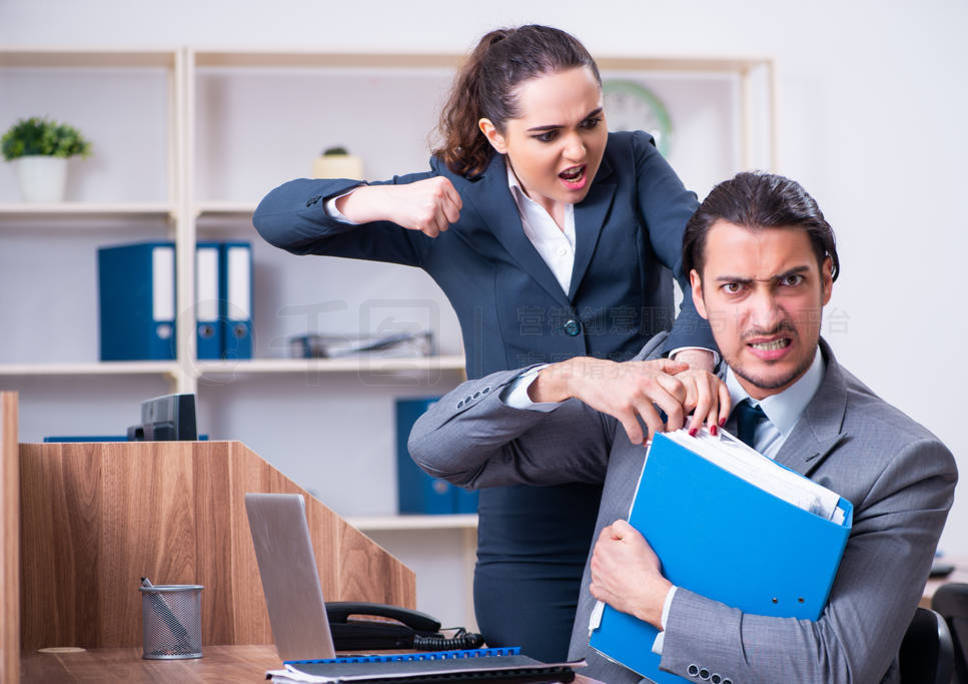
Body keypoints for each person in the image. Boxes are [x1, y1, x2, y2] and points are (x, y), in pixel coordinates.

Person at [252, 25, 727, 661]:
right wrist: (381, 200)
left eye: (590, 122)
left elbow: (705, 261)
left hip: (651, 491)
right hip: (526, 516)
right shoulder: (453, 202)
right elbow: (276, 219)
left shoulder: (634, 163)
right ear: (495, 135)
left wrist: (695, 352)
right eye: (547, 134)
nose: (577, 150)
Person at [408, 171, 958, 683]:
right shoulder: (652, 394)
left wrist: (655, 601)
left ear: (827, 281)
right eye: (735, 288)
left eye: (790, 281)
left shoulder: (903, 461)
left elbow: (835, 665)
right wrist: (567, 376)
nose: (765, 317)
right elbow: (440, 452)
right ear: (697, 293)